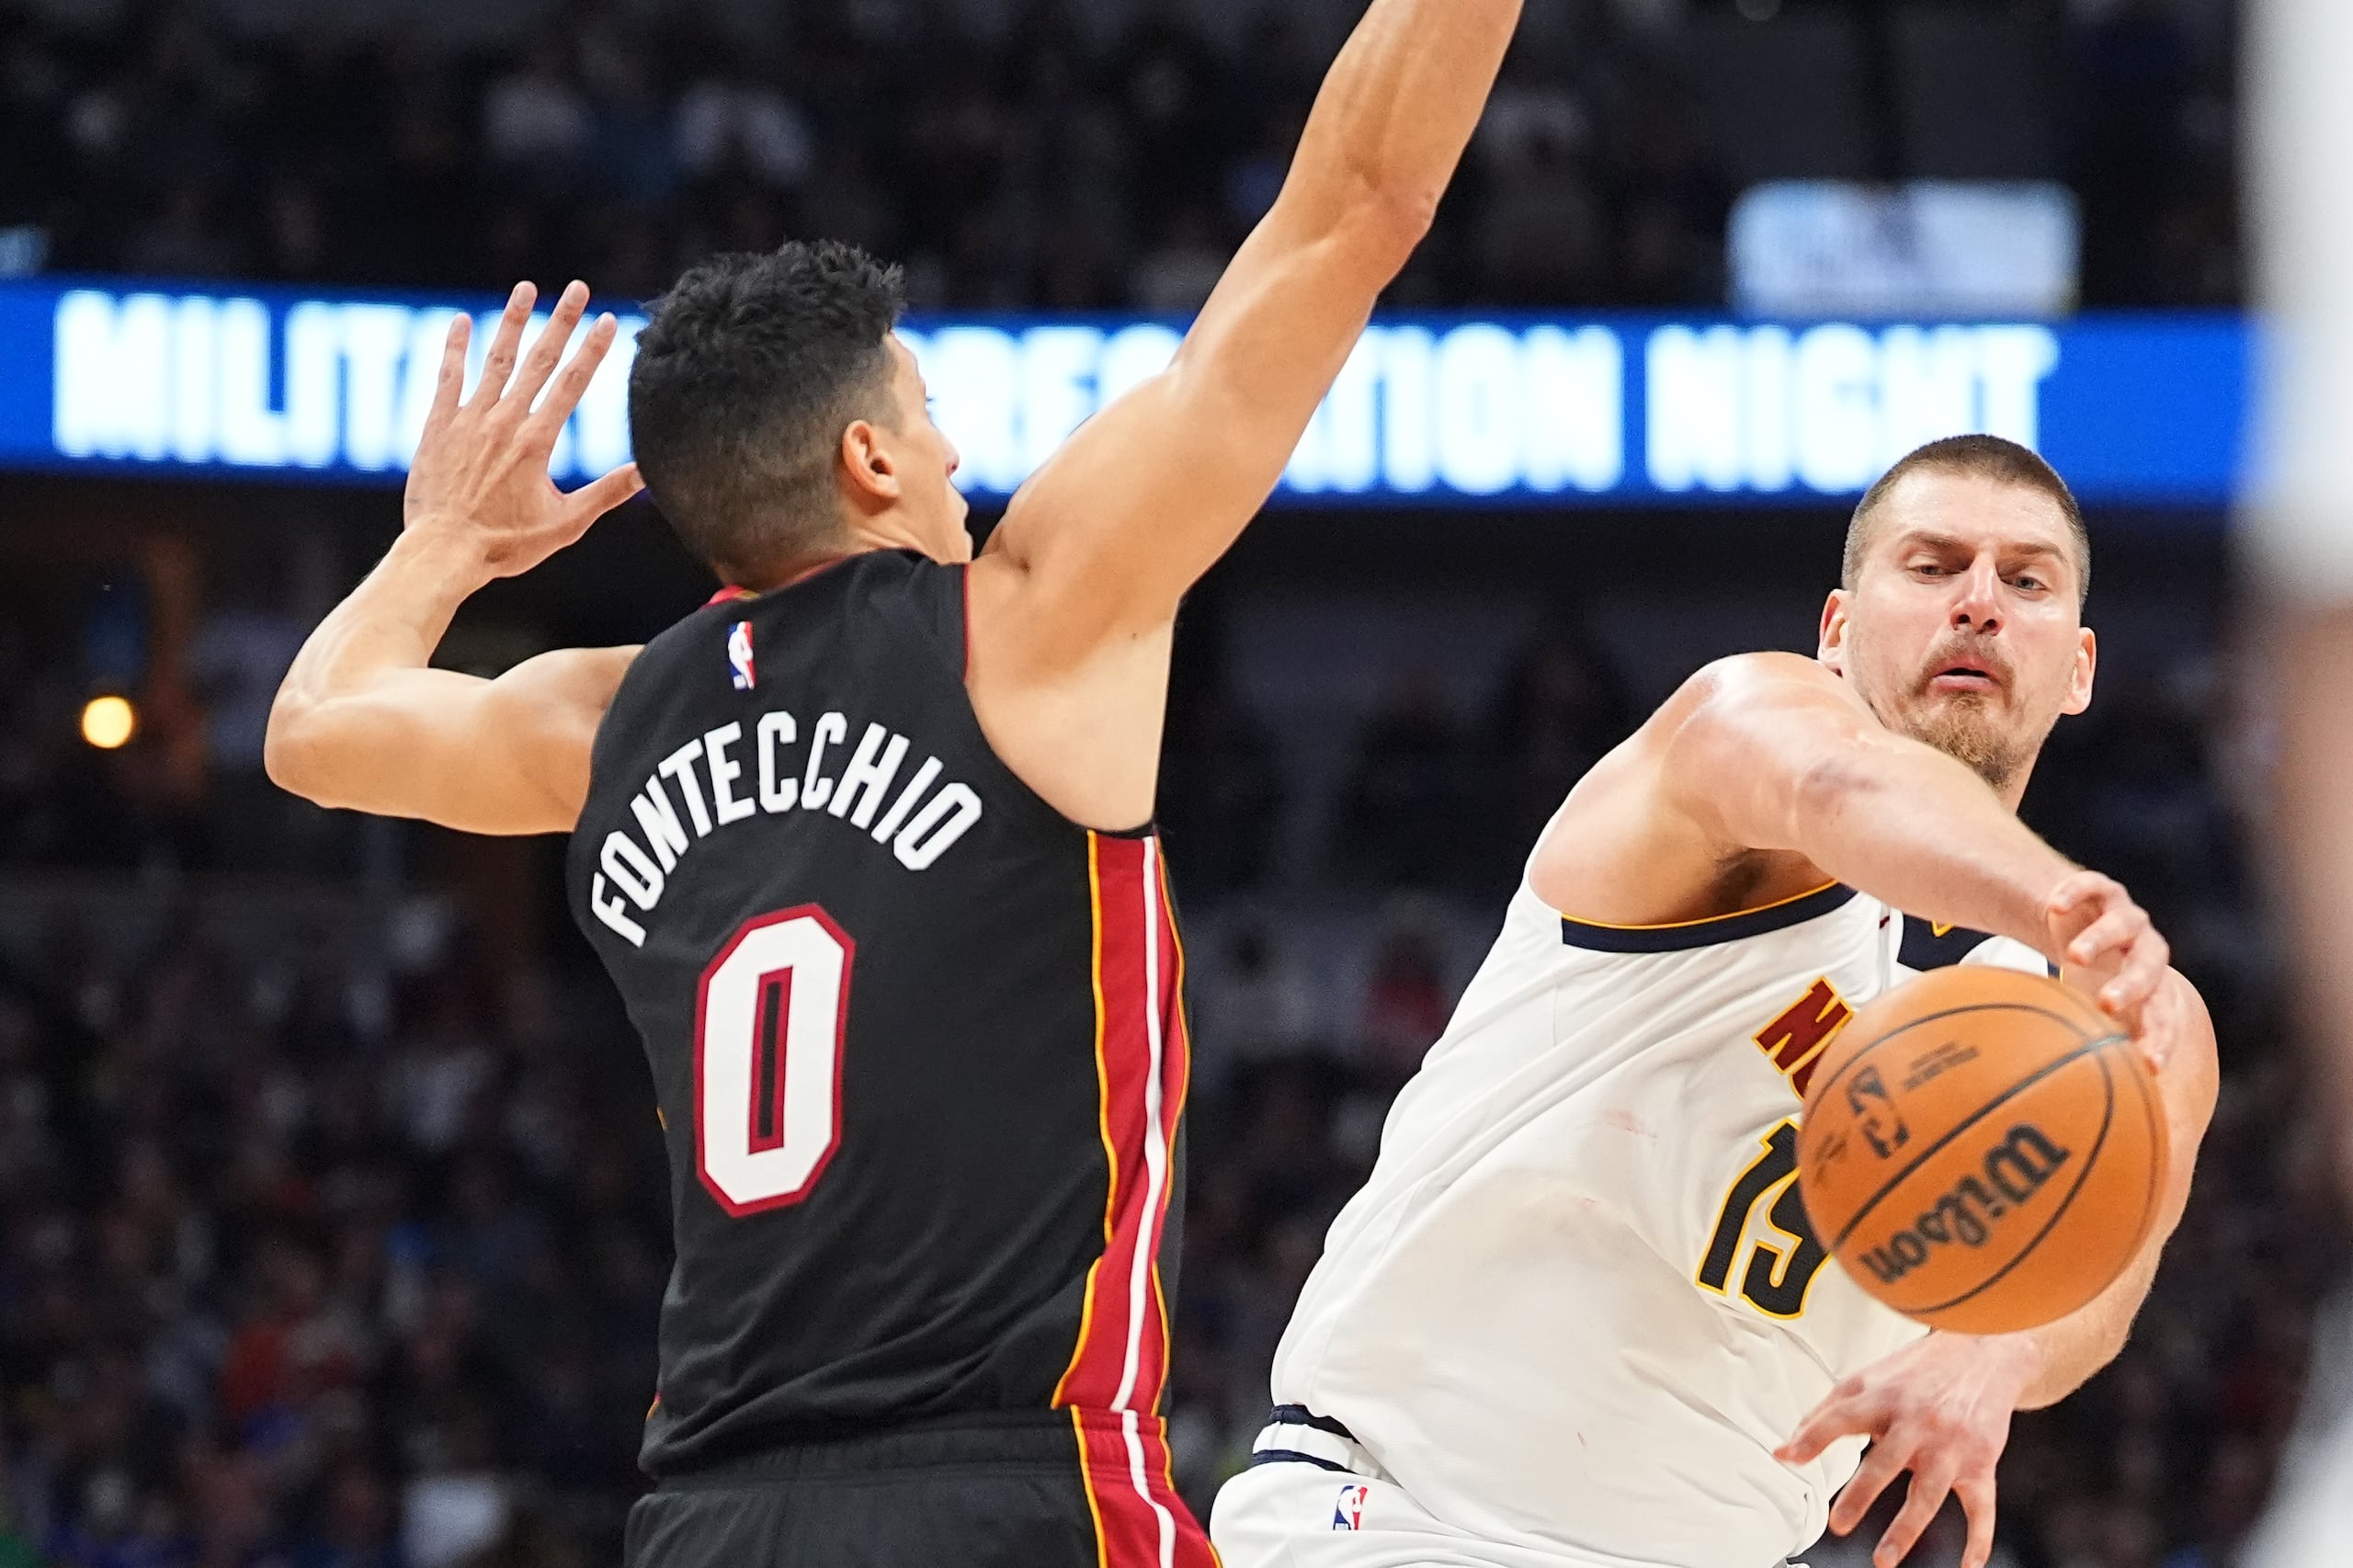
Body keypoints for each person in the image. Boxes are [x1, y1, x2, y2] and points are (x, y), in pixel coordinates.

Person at [260, 0, 1529, 1561]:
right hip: (1010, 1484)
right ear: (868, 460)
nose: (956, 456)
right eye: (928, 419)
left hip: (709, 1514)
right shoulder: (1027, 621)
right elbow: (1354, 209)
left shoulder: (597, 723)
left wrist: (442, 545)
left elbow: (314, 726)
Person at [1211, 435, 2220, 1568]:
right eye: (1932, 566)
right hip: (1418, 1522)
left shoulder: (2135, 1012)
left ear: (2078, 667)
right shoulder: (1735, 741)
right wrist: (2058, 902)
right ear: (1834, 632)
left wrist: (1988, 1360)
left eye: (2025, 579)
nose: (1978, 602)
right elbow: (1838, 784)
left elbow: (2102, 1271)